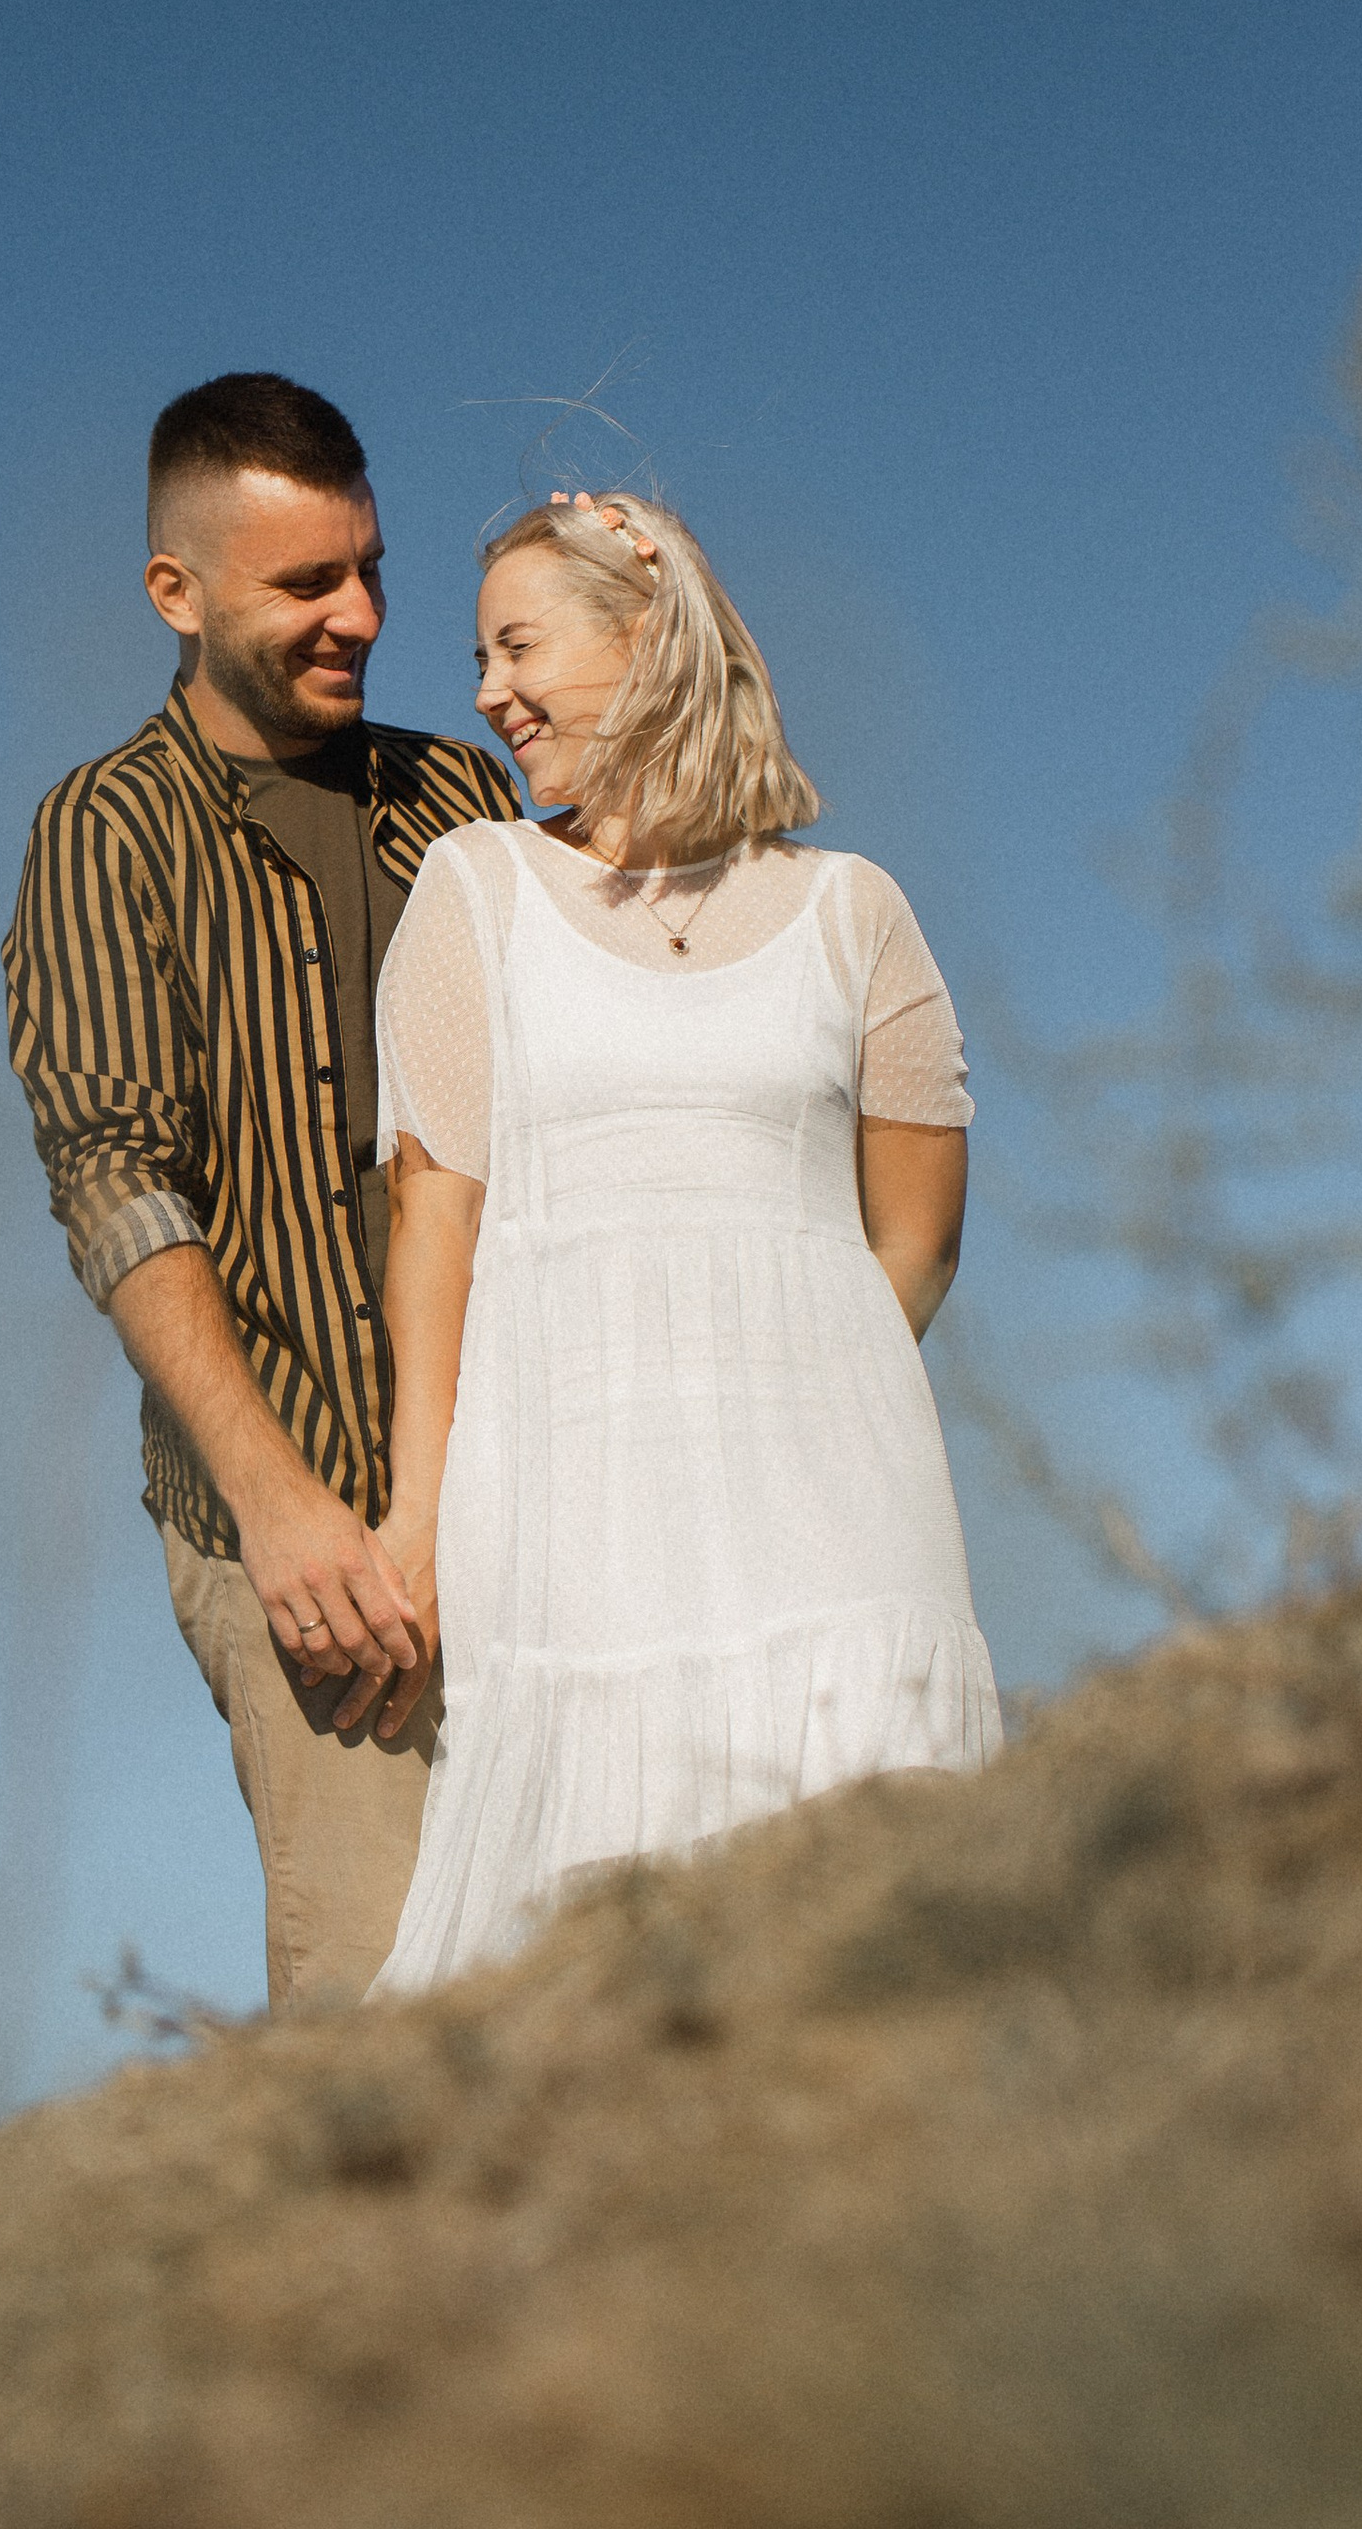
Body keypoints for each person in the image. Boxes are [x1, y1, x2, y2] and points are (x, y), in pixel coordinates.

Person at [367, 490, 1000, 1992]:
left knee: (880, 1932)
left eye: (518, 645)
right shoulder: (479, 894)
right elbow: (432, 1222)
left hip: (840, 1519)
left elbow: (911, 1245)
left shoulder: (857, 915)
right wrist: (418, 1512)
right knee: (592, 1964)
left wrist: (769, 1392)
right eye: (478, 655)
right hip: (572, 1519)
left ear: (647, 639)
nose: (483, 694)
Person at [3, 373, 521, 2006]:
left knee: (601, 1992)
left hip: (525, 1495)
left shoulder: (466, 801)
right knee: (380, 2004)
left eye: (370, 568)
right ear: (179, 591)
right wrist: (280, 1508)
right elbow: (113, 1178)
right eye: (308, 582)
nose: (359, 614)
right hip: (302, 1527)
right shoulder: (106, 832)